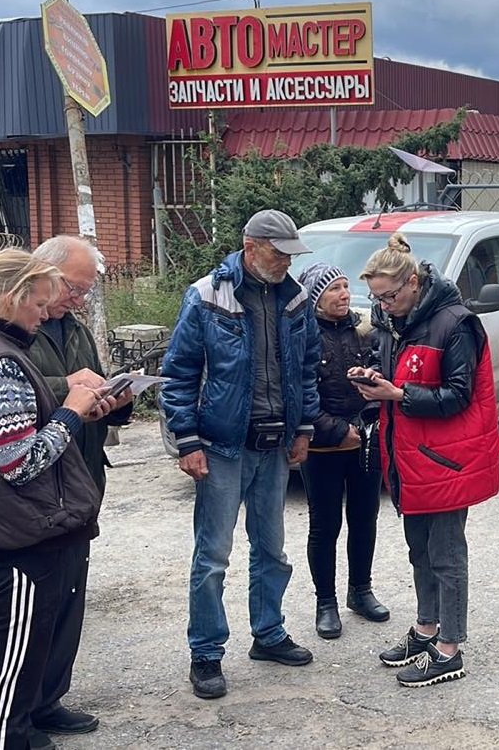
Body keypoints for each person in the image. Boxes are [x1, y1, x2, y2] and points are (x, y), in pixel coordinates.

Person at [0, 236, 133, 740]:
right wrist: (72, 409)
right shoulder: (1, 359)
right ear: (14, 297)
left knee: (26, 651)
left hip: (30, 523)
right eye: (41, 300)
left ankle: (33, 720)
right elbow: (19, 462)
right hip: (20, 532)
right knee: (8, 674)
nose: (47, 310)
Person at [160, 209, 321, 700]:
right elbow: (179, 374)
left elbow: (307, 368)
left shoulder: (295, 298)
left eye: (292, 255)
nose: (287, 264)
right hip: (222, 446)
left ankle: (268, 634)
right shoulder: (207, 295)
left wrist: (305, 427)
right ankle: (206, 654)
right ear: (251, 248)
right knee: (213, 556)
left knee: (272, 549)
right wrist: (186, 442)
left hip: (275, 445)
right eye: (279, 253)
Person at [351, 233, 499, 688]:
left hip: (446, 458)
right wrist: (373, 379)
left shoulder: (456, 323)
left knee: (447, 552)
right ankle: (426, 629)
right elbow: (400, 374)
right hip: (408, 454)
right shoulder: (394, 322)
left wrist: (396, 394)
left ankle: (450, 648)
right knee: (419, 548)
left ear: (414, 283)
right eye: (376, 298)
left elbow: (459, 395)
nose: (383, 305)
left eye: (390, 295)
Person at [296, 261, 389, 639]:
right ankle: (326, 603)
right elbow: (301, 396)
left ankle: (360, 591)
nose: (344, 294)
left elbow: (381, 372)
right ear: (317, 297)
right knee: (325, 525)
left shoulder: (363, 330)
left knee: (365, 517)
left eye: (347, 287)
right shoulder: (303, 335)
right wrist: (336, 432)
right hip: (322, 447)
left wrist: (370, 402)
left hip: (364, 439)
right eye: (334, 288)